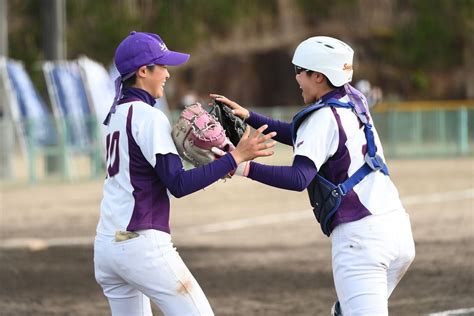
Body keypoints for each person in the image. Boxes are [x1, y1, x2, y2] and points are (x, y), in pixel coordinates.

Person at [211, 36, 415, 316]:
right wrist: (248, 115)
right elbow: (302, 134)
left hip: (362, 240)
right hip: (397, 230)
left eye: (300, 71)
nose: (296, 77)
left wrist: (243, 167)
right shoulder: (354, 99)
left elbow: (299, 178)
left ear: (318, 76)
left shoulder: (322, 118)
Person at [94, 31, 276, 316]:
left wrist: (219, 165)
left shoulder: (114, 115)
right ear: (143, 71)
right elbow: (178, 184)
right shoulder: (149, 116)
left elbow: (151, 172)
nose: (167, 73)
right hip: (141, 245)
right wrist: (234, 157)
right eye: (162, 66)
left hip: (106, 245)